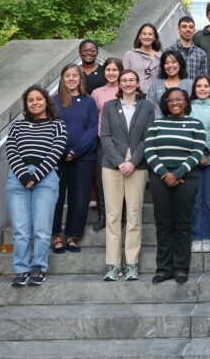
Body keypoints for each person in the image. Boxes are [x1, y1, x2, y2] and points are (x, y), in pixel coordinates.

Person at [6, 86, 67, 286]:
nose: (34, 103)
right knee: (21, 230)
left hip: (46, 180)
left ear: (46, 101)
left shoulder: (57, 125)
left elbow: (55, 152)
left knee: (41, 228)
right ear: (26, 104)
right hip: (17, 179)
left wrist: (36, 176)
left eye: (38, 99)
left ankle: (38, 268)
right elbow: (11, 150)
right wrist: (24, 176)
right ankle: (21, 269)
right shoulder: (17, 126)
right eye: (30, 100)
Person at [144, 87, 206, 284]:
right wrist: (165, 174)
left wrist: (178, 174)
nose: (175, 102)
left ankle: (181, 267)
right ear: (166, 103)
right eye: (171, 100)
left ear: (186, 101)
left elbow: (197, 152)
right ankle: (163, 268)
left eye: (179, 99)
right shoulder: (156, 124)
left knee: (182, 222)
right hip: (160, 177)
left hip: (186, 177)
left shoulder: (196, 124)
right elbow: (149, 151)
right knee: (163, 223)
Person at [99, 70, 155, 282]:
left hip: (138, 166)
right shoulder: (109, 107)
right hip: (112, 165)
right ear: (119, 84)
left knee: (134, 215)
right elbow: (104, 136)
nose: (128, 83)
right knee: (113, 216)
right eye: (124, 80)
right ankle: (113, 264)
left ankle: (132, 263)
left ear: (138, 83)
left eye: (132, 80)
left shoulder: (147, 107)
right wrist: (119, 162)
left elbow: (148, 136)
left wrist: (132, 162)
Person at [51, 64, 99, 254]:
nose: (71, 79)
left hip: (84, 157)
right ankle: (56, 235)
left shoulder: (89, 102)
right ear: (62, 79)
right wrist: (64, 151)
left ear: (80, 79)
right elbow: (51, 129)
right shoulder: (54, 102)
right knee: (56, 198)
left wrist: (76, 152)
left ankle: (72, 236)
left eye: (75, 76)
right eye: (67, 76)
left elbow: (92, 129)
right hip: (57, 157)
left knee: (79, 198)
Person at [90, 57, 123, 232]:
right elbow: (93, 117)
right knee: (103, 180)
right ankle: (103, 214)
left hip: (124, 141)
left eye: (115, 70)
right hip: (103, 141)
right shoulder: (97, 92)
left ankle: (122, 215)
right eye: (108, 70)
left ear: (120, 72)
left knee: (123, 179)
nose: (111, 73)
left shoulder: (126, 88)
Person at [190, 76, 210, 254]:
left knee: (209, 201)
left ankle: (207, 236)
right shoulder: (188, 107)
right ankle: (195, 237)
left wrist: (206, 151)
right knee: (195, 201)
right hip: (192, 160)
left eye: (205, 86)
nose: (202, 89)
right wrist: (197, 153)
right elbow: (187, 131)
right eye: (198, 86)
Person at [148, 50, 194, 118]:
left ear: (180, 64)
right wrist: (161, 121)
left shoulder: (189, 84)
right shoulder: (156, 84)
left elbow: (192, 106)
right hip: (159, 124)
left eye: (173, 62)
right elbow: (150, 106)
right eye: (166, 63)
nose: (170, 65)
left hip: (183, 124)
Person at [123, 23, 162, 93]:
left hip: (154, 96)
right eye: (144, 34)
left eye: (150, 34)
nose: (147, 37)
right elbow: (123, 77)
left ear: (154, 37)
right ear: (139, 36)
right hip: (133, 95)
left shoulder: (161, 57)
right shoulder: (129, 55)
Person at [167, 16, 208, 81]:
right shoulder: (169, 51)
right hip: (174, 90)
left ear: (194, 30)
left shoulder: (201, 54)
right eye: (184, 27)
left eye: (191, 27)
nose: (188, 29)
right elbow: (163, 76)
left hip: (193, 91)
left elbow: (203, 79)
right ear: (178, 29)